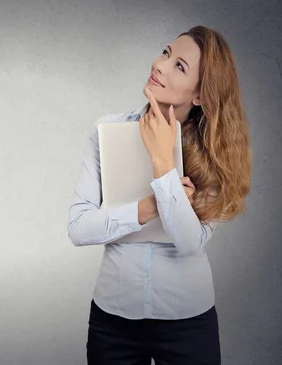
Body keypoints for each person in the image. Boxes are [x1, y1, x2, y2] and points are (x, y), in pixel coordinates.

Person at [67, 25, 252, 365]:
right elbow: (78, 228)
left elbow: (189, 242)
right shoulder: (106, 133)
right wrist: (150, 206)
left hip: (188, 321)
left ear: (200, 94)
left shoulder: (215, 154)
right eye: (166, 53)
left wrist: (163, 163)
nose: (160, 65)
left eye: (179, 66)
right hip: (113, 318)